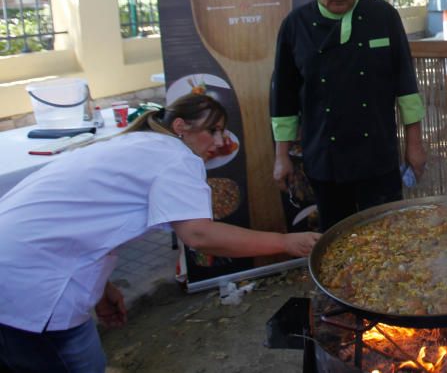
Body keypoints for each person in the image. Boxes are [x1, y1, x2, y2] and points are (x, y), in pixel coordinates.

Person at [0, 94, 320, 372]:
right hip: (31, 284)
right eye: (213, 130)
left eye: (223, 131)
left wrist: (100, 286)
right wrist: (285, 242)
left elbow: (75, 220)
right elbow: (199, 235)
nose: (222, 141)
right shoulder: (174, 157)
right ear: (180, 127)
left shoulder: (135, 143)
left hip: (22, 264)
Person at [271, 0, 426, 231]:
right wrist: (281, 156)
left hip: (378, 154)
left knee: (387, 235)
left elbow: (406, 84)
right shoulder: (295, 25)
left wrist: (414, 143)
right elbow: (283, 97)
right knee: (336, 238)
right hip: (325, 158)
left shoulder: (383, 16)